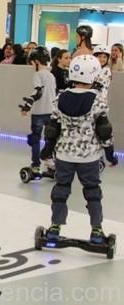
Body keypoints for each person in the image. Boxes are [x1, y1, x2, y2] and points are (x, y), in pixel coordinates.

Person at [40, 55, 118, 244]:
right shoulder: (97, 99)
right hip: (89, 156)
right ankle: (97, 231)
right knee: (92, 191)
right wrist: (110, 155)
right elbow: (104, 130)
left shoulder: (61, 97)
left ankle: (54, 228)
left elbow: (53, 128)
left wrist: (47, 150)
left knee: (61, 190)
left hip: (64, 155)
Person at [18, 46, 56, 176]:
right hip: (51, 112)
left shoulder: (37, 74)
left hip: (38, 113)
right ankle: (51, 164)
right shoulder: (51, 76)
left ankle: (35, 165)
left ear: (36, 62)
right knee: (49, 139)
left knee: (35, 140)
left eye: (31, 63)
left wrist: (27, 106)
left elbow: (37, 92)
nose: (31, 66)